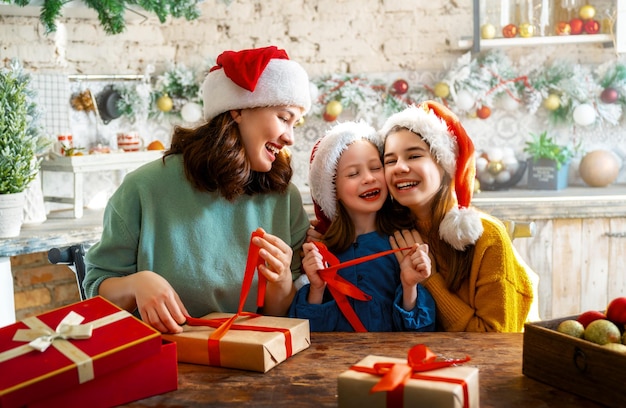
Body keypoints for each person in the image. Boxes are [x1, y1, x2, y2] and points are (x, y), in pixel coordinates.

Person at [83, 46, 312, 333]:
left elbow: (282, 316)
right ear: (238, 109)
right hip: (165, 360)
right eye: (283, 117)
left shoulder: (283, 197)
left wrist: (281, 283)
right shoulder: (143, 189)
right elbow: (96, 289)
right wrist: (135, 284)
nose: (290, 137)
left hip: (254, 361)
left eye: (295, 123)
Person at [378, 101, 535, 332]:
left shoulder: (487, 237)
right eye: (390, 160)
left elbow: (493, 339)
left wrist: (429, 281)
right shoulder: (394, 233)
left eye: (413, 156)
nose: (399, 167)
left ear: (444, 165)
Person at [289, 121, 436, 332]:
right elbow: (308, 334)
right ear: (333, 189)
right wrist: (317, 288)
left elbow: (423, 333)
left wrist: (409, 285)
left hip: (390, 362)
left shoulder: (404, 244)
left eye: (376, 168)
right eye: (353, 174)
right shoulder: (323, 251)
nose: (368, 178)